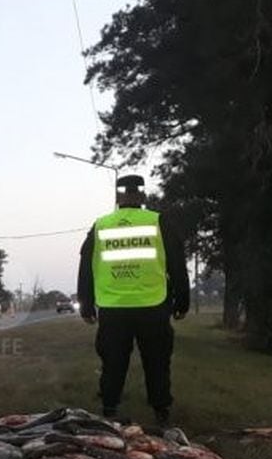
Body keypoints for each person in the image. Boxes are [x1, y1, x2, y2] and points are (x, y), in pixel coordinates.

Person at [77, 175, 190, 426]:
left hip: (113, 306)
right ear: (142, 197)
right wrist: (182, 301)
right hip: (152, 304)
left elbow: (86, 265)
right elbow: (177, 263)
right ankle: (161, 411)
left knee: (113, 360)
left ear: (118, 199)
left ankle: (109, 408)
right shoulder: (157, 222)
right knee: (157, 360)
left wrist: (86, 303)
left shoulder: (101, 225)